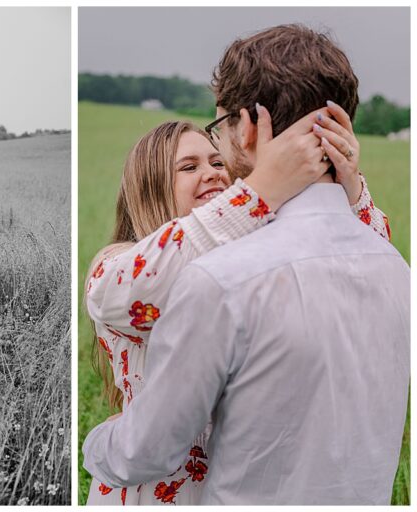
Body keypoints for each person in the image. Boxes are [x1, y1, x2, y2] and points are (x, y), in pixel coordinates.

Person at [82, 24, 409, 505]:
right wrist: (257, 191)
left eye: (217, 159)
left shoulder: (248, 252)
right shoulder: (121, 261)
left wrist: (349, 187)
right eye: (188, 167)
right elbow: (125, 292)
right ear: (150, 185)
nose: (215, 173)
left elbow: (355, 267)